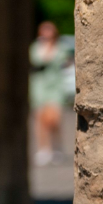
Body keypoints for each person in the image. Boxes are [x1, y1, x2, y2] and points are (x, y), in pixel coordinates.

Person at [30, 21, 73, 166]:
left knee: (54, 118)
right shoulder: (36, 47)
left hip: (55, 85)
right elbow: (35, 62)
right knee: (40, 119)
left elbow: (66, 61)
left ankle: (56, 147)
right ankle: (44, 149)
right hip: (40, 85)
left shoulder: (61, 47)